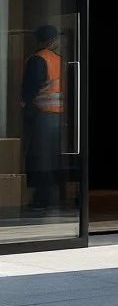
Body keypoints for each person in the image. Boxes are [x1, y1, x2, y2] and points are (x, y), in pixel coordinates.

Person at [21, 24, 64, 219]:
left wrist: (25, 104)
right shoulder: (59, 59)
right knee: (51, 158)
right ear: (54, 40)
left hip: (42, 115)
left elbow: (30, 89)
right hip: (58, 115)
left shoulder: (38, 59)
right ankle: (50, 197)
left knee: (39, 158)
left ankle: (42, 199)